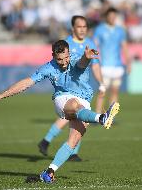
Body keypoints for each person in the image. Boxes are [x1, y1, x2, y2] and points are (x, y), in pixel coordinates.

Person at [0, 39, 120, 183]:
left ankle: (48, 173)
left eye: (65, 57)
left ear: (69, 54)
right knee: (74, 105)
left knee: (73, 141)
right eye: (59, 59)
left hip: (84, 101)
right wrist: (2, 95)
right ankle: (102, 118)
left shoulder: (76, 60)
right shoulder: (48, 67)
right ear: (53, 56)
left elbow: (82, 63)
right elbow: (26, 83)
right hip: (62, 99)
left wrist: (86, 58)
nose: (63, 62)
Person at [38, 15, 106, 161]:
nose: (82, 30)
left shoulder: (89, 43)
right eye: (79, 27)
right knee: (74, 115)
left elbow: (95, 65)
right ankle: (54, 144)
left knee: (80, 119)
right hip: (69, 88)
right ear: (73, 28)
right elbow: (58, 64)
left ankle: (51, 143)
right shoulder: (66, 44)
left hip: (83, 87)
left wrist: (101, 83)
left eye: (84, 27)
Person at [93, 7, 131, 113]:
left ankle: (110, 116)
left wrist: (129, 63)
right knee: (102, 91)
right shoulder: (100, 30)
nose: (112, 18)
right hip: (104, 66)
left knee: (115, 92)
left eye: (114, 17)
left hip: (117, 66)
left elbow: (124, 47)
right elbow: (95, 46)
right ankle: (98, 114)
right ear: (106, 17)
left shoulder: (120, 31)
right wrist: (93, 61)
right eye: (110, 17)